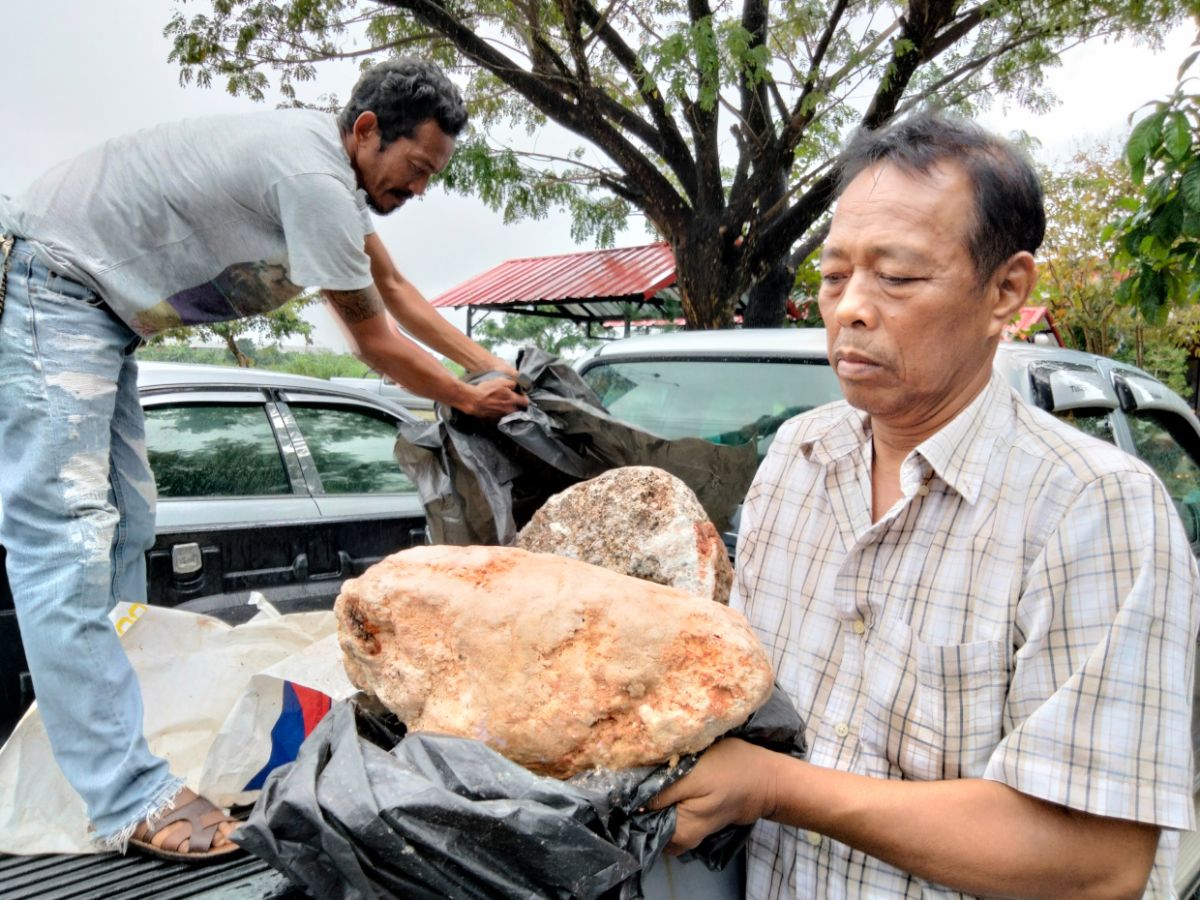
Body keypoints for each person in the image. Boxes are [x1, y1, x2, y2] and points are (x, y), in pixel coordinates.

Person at [649, 113, 1199, 898]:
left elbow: (1098, 863)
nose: (850, 310)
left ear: (1006, 289)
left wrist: (775, 787)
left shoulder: (1093, 507)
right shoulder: (798, 458)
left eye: (897, 278)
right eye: (835, 277)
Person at [0, 58, 527, 861]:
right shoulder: (310, 174)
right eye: (416, 168)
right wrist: (463, 397)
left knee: (126, 528)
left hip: (101, 310)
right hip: (54, 286)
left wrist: (492, 369)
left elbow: (400, 291)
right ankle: (126, 794)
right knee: (66, 545)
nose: (420, 190)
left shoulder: (334, 181)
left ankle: (104, 756)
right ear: (365, 131)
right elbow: (372, 336)